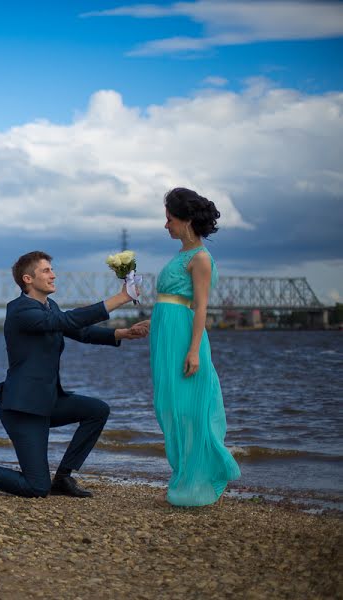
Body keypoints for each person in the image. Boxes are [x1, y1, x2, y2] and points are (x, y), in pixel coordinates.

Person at [0, 251, 147, 498]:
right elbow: (67, 321)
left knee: (97, 410)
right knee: (36, 488)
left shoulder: (49, 306)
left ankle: (63, 478)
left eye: (52, 270)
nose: (53, 275)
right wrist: (121, 298)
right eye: (46, 270)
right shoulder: (20, 310)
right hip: (23, 409)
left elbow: (79, 330)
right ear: (28, 279)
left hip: (47, 401)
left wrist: (122, 333)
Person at [141, 187, 241, 506]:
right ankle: (184, 474)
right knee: (167, 405)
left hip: (184, 338)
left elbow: (200, 307)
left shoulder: (200, 258)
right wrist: (153, 323)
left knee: (189, 408)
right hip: (165, 335)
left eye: (169, 218)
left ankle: (197, 481)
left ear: (185, 221)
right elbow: (171, 301)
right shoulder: (181, 254)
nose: (165, 224)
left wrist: (195, 350)